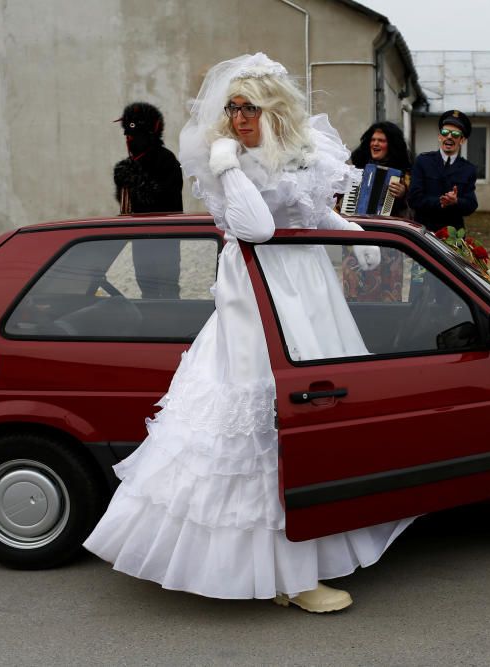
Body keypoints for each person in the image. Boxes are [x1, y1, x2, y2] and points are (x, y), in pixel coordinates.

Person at [84, 53, 412, 613]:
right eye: (233, 107)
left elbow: (311, 212)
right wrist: (228, 164)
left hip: (308, 292)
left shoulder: (300, 152)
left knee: (317, 423)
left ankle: (304, 562)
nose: (238, 117)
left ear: (273, 109)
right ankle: (289, 578)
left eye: (249, 107)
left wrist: (356, 235)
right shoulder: (225, 161)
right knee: (262, 428)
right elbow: (258, 228)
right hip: (259, 298)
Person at [113, 102, 184, 298]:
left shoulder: (166, 160)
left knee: (167, 289)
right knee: (146, 288)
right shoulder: (131, 163)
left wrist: (136, 180)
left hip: (164, 239)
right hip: (141, 239)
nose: (128, 138)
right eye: (127, 134)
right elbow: (127, 208)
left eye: (134, 134)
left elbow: (166, 201)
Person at [342, 121, 412, 301]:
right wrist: (345, 199)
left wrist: (404, 193)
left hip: (388, 241)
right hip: (357, 237)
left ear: (391, 145)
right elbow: (340, 199)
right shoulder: (356, 167)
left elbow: (413, 209)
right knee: (355, 293)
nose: (375, 144)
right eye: (373, 140)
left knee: (387, 293)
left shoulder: (404, 174)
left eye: (381, 140)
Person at [408, 110, 478, 232]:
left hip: (453, 235)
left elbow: (471, 204)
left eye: (455, 134)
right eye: (445, 132)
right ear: (440, 137)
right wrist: (441, 202)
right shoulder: (423, 161)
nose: (449, 136)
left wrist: (456, 201)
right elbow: (414, 199)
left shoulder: (468, 169)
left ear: (462, 140)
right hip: (424, 233)